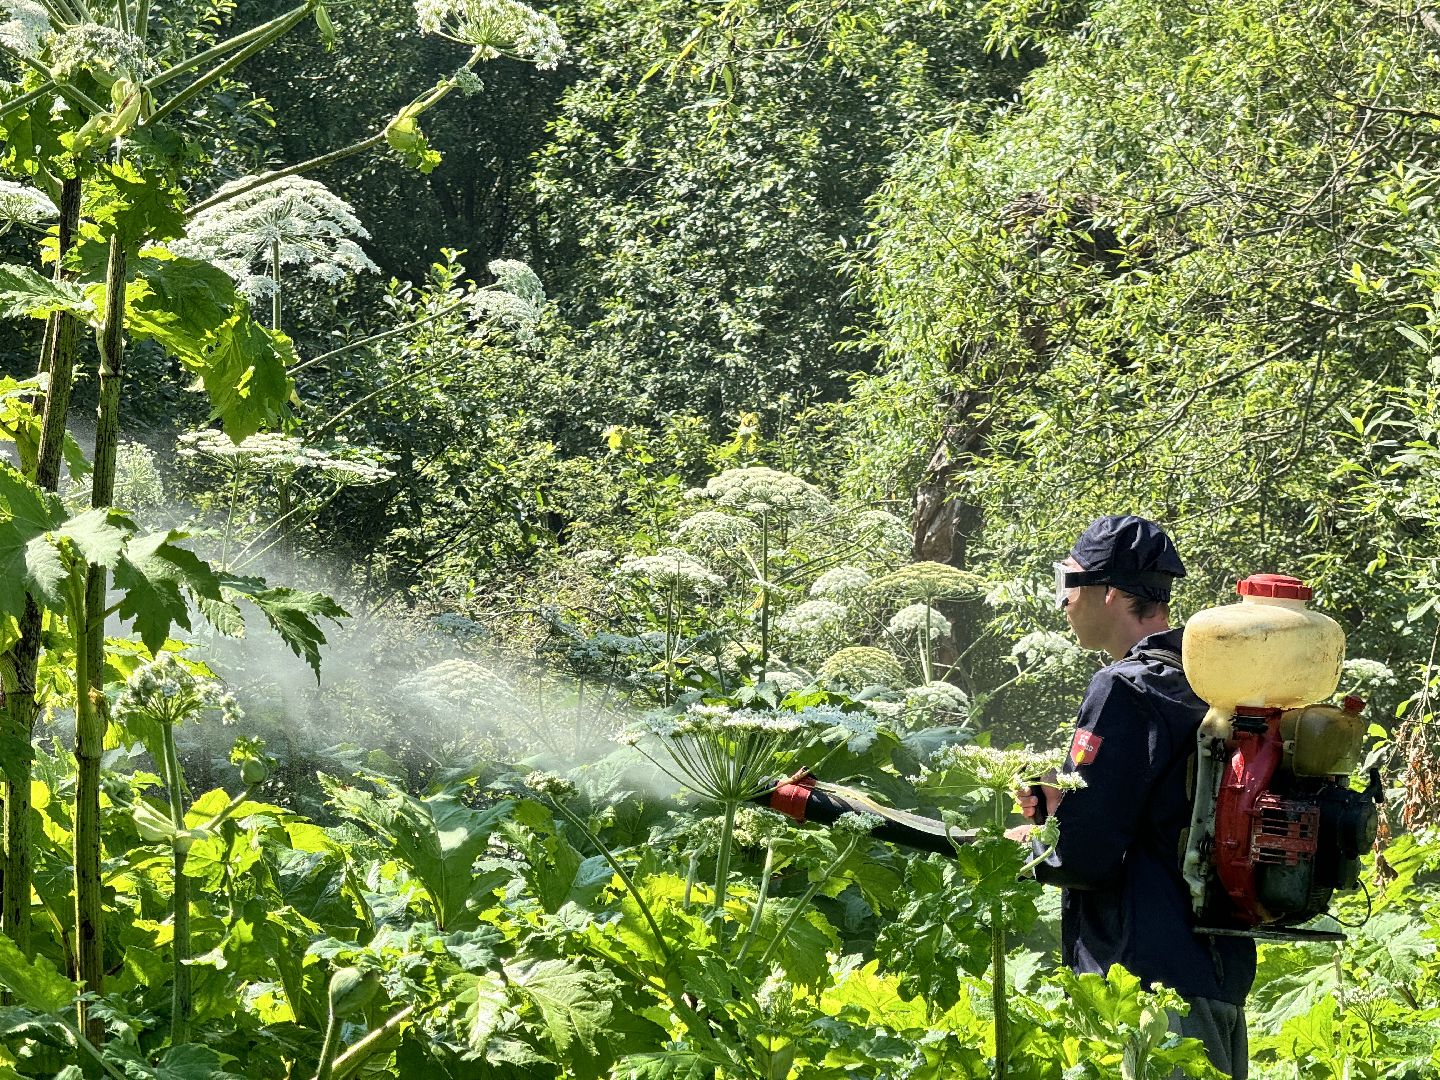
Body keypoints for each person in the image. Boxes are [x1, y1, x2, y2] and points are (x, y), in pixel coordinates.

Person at [1009, 515, 1255, 1078]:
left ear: (1110, 592)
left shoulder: (1123, 687)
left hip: (1145, 996)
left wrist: (1033, 842)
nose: (1063, 603)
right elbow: (1164, 810)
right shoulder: (1209, 683)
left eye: (1067, 585)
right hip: (1215, 975)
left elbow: (1088, 856)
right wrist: (1061, 804)